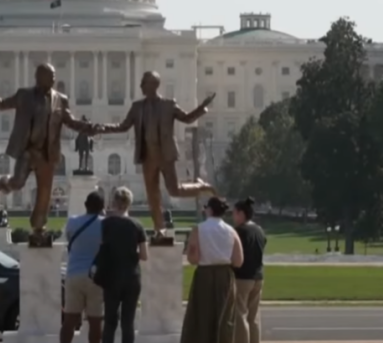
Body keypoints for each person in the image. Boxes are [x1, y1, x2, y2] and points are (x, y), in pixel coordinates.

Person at [0, 64, 94, 243]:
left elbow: (71, 121)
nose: (54, 79)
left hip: (48, 154)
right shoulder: (24, 95)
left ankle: (39, 230)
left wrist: (89, 127)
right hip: (28, 151)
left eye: (54, 75)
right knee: (18, 182)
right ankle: (4, 182)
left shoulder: (61, 99)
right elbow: (1, 104)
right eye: (50, 75)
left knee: (44, 195)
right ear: (39, 77)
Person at [89, 71, 216, 240]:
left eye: (144, 83)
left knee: (174, 190)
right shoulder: (137, 107)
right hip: (147, 156)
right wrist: (103, 128)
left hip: (165, 154)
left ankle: (200, 186)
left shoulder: (169, 105)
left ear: (153, 85)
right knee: (152, 196)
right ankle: (159, 230)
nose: (141, 86)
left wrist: (202, 107)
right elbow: (123, 126)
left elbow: (187, 119)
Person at [181, 196, 244, 343]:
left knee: (202, 316)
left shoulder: (198, 229)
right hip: (225, 275)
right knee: (224, 317)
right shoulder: (231, 231)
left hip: (204, 275)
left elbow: (193, 259)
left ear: (209, 210)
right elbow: (238, 261)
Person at [98, 187, 148, 343]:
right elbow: (144, 255)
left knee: (110, 321)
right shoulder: (137, 225)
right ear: (129, 204)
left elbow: (98, 249)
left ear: (114, 202)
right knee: (128, 322)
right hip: (132, 277)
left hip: (111, 277)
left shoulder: (105, 224)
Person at [61, 191, 105, 343]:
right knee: (95, 322)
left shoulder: (72, 222)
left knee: (69, 321)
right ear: (102, 207)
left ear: (85, 205)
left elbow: (69, 240)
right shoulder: (105, 224)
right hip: (96, 276)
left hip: (74, 273)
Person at [231, 198, 266, 343]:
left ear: (241, 213)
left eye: (234, 213)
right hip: (258, 276)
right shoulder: (259, 230)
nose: (233, 216)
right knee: (254, 317)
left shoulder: (239, 231)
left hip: (242, 277)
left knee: (240, 315)